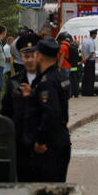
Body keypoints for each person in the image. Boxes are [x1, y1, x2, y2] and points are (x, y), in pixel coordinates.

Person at [24, 39, 72, 182]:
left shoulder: (47, 82)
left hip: (49, 145)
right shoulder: (59, 77)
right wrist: (33, 93)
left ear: (40, 56)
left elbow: (51, 112)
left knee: (48, 191)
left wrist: (40, 140)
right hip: (60, 139)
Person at [0, 33, 40, 181]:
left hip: (41, 142)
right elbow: (6, 112)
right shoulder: (14, 82)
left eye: (32, 56)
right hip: (21, 142)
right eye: (26, 56)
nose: (29, 60)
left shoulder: (48, 80)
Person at [80, 29, 97, 96]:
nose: (96, 36)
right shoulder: (91, 42)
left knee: (86, 77)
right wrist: (86, 59)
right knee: (91, 77)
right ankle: (90, 92)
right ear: (93, 35)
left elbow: (81, 51)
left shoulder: (85, 41)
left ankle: (84, 92)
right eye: (95, 34)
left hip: (86, 61)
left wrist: (83, 58)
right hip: (90, 61)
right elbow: (92, 52)